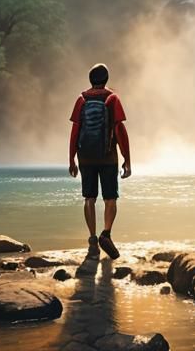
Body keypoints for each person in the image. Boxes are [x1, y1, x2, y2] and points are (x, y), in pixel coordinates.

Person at [69, 63, 132, 260]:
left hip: (85, 156)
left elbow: (75, 132)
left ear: (90, 79)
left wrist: (71, 159)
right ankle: (106, 233)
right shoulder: (112, 98)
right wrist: (127, 159)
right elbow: (120, 130)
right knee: (110, 197)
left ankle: (92, 239)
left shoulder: (81, 100)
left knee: (89, 198)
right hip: (108, 156)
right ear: (106, 79)